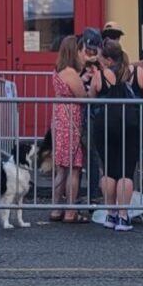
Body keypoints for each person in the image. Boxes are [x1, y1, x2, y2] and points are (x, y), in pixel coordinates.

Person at [88, 39, 143, 231]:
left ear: (108, 59)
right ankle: (124, 217)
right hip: (131, 125)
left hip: (106, 125)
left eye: (100, 57)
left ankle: (110, 214)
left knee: (108, 170)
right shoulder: (137, 72)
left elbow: (91, 98)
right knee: (126, 171)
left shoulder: (100, 75)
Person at [49, 35, 88, 223]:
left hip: (59, 118)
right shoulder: (71, 73)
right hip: (71, 120)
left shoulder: (58, 71)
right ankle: (71, 210)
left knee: (61, 168)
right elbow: (83, 96)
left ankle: (56, 208)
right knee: (74, 167)